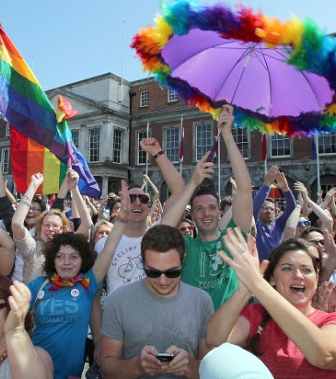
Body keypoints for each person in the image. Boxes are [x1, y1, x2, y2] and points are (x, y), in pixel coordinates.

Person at [206, 232, 336, 378]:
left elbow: (326, 356)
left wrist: (257, 284)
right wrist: (244, 290)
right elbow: (215, 339)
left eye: (306, 270)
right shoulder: (256, 314)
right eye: (287, 268)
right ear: (272, 279)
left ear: (316, 279)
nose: (298, 276)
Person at [26, 182, 128, 379]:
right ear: (52, 260)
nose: (66, 262)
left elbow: (109, 248)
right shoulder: (38, 285)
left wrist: (122, 216)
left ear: (83, 261)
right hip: (35, 371)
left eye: (73, 257)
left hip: (71, 374)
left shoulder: (87, 284)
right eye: (60, 257)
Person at [159, 105, 254, 310]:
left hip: (230, 330)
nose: (206, 213)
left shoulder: (233, 239)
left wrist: (227, 136)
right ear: (191, 215)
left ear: (220, 211)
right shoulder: (187, 245)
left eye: (212, 207)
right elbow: (162, 231)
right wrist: (192, 183)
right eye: (199, 209)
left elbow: (245, 190)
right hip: (193, 330)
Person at [100, 225, 214, 378]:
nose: (163, 281)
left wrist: (189, 366)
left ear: (183, 260)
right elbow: (107, 365)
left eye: (172, 272)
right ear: (142, 263)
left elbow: (210, 369)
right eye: (153, 272)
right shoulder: (118, 301)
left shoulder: (202, 301)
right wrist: (136, 366)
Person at [11, 172, 90, 284]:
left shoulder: (71, 246)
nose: (51, 229)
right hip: (33, 300)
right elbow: (17, 224)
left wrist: (74, 188)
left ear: (63, 229)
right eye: (46, 225)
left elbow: (87, 224)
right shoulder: (32, 248)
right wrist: (33, 186)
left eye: (55, 226)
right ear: (40, 228)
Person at [253, 166, 297, 261]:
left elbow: (292, 209)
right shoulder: (255, 227)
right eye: (264, 208)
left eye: (271, 209)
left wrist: (285, 189)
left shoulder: (278, 225)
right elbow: (254, 208)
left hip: (276, 269)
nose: (268, 211)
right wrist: (266, 184)